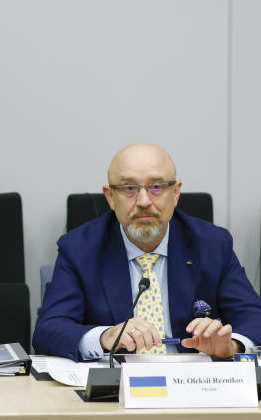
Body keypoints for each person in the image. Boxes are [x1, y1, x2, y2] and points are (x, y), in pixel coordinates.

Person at [33, 142, 261, 360]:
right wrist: (105, 336)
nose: (143, 201)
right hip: (117, 388)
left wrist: (230, 345)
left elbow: (254, 318)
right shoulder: (80, 249)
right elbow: (48, 330)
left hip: (193, 385)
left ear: (175, 193)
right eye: (129, 188)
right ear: (111, 197)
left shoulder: (212, 244)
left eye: (156, 187)